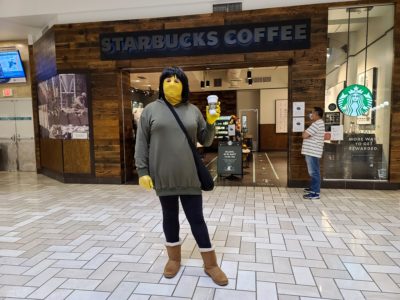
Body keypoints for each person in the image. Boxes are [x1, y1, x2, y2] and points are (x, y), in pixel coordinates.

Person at [135, 66, 228, 286]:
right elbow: (141, 143)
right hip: (163, 175)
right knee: (170, 217)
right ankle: (173, 259)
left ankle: (211, 264)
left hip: (189, 175)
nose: (172, 84)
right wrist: (142, 171)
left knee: (197, 219)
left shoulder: (193, 110)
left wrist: (212, 121)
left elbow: (205, 140)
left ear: (184, 85)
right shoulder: (150, 110)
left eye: (177, 81)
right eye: (167, 81)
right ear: (161, 85)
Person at [301, 107, 325, 200]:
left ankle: (315, 192)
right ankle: (313, 188)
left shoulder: (317, 124)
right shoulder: (318, 123)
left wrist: (305, 132)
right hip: (313, 151)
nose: (311, 115)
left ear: (316, 114)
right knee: (314, 171)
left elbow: (304, 135)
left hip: (312, 151)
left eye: (312, 113)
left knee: (314, 172)